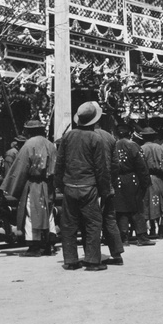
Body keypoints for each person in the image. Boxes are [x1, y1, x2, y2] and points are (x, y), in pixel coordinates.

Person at [54, 101, 111, 271]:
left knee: (69, 224)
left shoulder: (67, 137)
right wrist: (104, 191)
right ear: (93, 121)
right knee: (93, 223)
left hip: (70, 186)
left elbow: (60, 164)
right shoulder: (96, 138)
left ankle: (70, 260)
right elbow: (101, 168)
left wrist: (59, 185)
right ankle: (93, 261)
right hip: (89, 187)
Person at [1, 119, 57, 257]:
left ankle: (34, 246)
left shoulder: (28, 145)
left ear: (29, 131)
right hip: (48, 184)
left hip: (34, 184)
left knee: (32, 214)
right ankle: (48, 244)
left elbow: (20, 167)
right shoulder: (51, 145)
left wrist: (11, 186)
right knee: (48, 213)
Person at [92, 105, 125, 265]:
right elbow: (115, 165)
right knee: (110, 219)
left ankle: (93, 256)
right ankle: (117, 254)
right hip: (108, 185)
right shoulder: (110, 137)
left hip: (91, 185)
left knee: (91, 221)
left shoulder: (86, 135)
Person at [114, 123, 152, 246]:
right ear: (130, 134)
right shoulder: (133, 145)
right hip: (133, 180)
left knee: (122, 210)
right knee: (137, 208)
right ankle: (141, 237)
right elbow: (141, 166)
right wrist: (145, 182)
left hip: (118, 180)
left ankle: (124, 238)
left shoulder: (113, 146)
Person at [141, 127, 163, 239]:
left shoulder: (141, 148)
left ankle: (151, 230)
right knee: (161, 204)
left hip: (146, 180)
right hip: (159, 179)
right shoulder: (160, 148)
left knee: (147, 204)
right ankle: (161, 231)